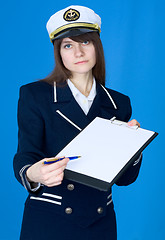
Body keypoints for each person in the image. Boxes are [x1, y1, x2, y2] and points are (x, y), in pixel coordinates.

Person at [13, 5, 142, 240]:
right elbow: (25, 156)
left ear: (97, 46)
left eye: (85, 42)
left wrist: (134, 147)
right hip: (49, 220)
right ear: (59, 53)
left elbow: (125, 179)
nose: (78, 53)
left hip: (100, 221)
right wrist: (35, 173)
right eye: (68, 45)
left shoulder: (119, 103)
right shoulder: (36, 95)